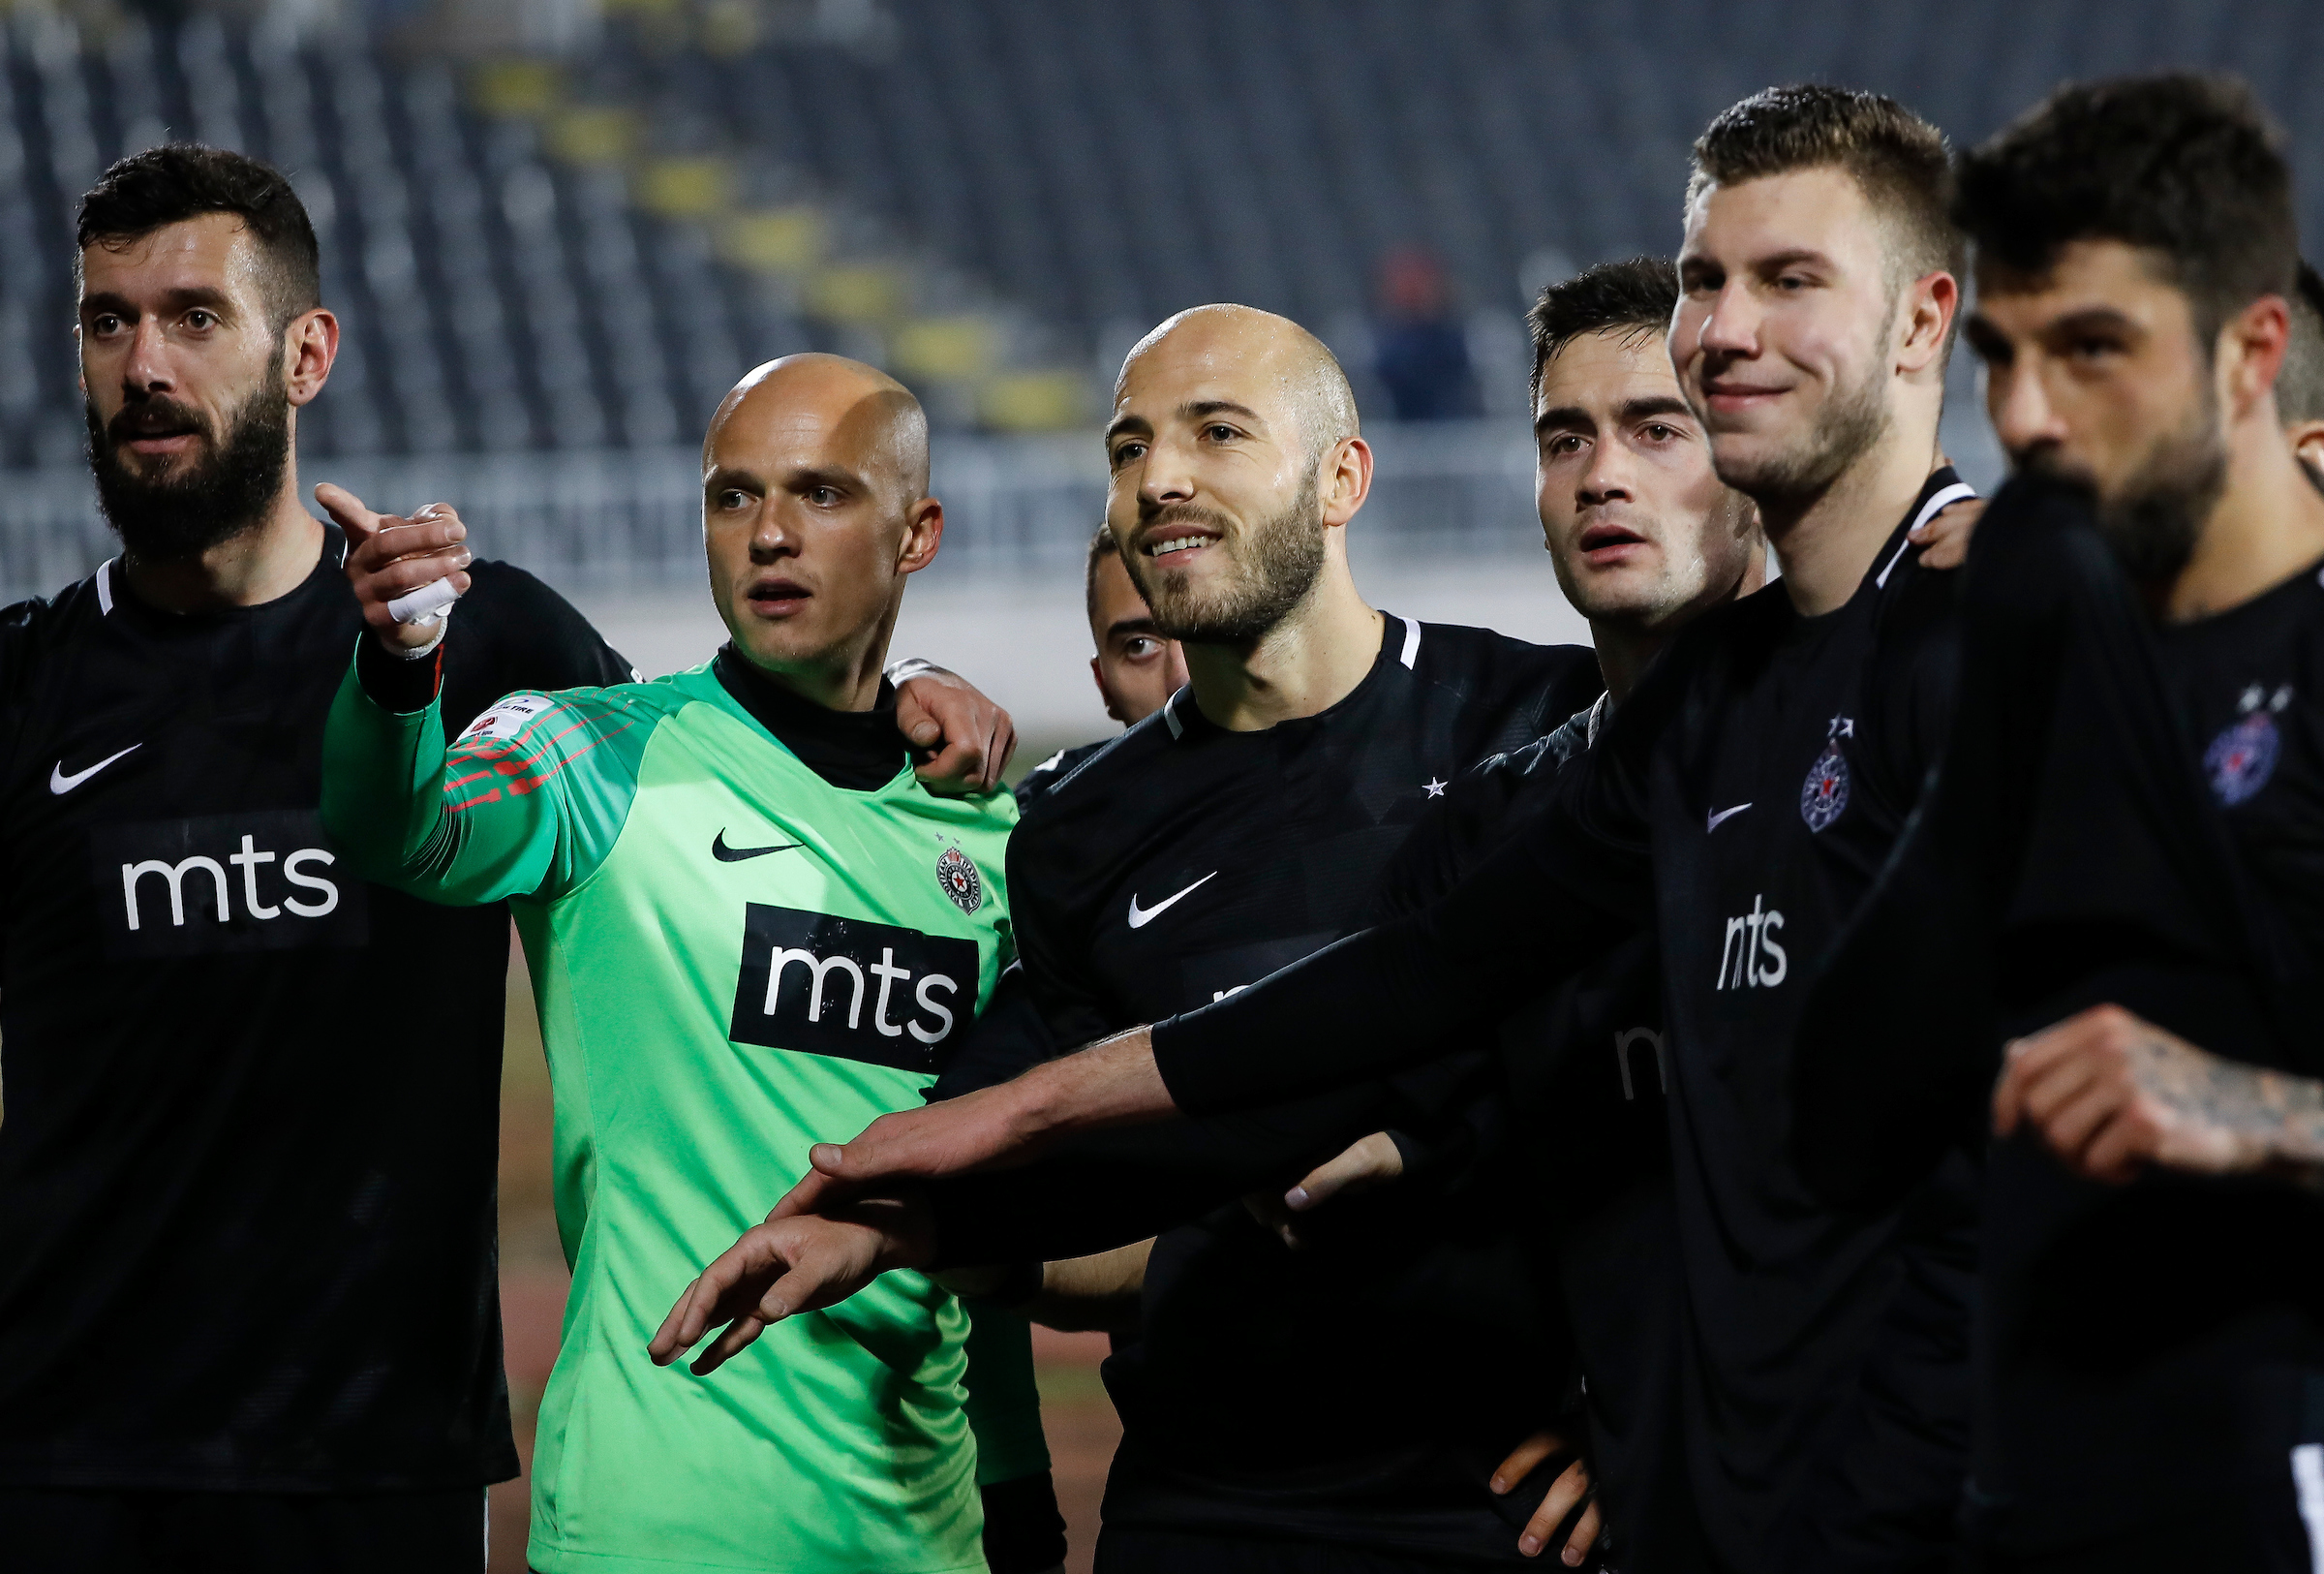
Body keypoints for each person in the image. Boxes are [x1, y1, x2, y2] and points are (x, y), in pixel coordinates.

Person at [671, 84, 1986, 1574]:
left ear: (1921, 320)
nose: (1727, 328)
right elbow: (1379, 1004)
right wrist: (942, 1176)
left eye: (1788, 279)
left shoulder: (1989, 634)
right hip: (1483, 1505)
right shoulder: (1641, 746)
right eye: (1706, 282)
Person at [0, 142, 1022, 1574]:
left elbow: (723, 730)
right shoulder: (25, 685)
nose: (144, 364)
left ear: (306, 354)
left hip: (383, 1455)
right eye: (108, 321)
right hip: (62, 1451)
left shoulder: (495, 640)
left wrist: (901, 683)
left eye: (194, 316)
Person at [318, 353, 1055, 1574]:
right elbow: (407, 831)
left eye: (822, 493)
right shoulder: (589, 752)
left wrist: (1017, 1497)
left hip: (923, 1538)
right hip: (651, 1526)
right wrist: (400, 670)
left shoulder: (988, 831)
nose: (769, 533)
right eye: (733, 495)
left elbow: (985, 1214)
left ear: (917, 533)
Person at [1791, 73, 2324, 1572]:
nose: (2025, 417)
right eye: (2002, 356)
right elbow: (1841, 1132)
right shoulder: (2039, 638)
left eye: (2093, 349)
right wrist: (2011, 708)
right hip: (2045, 1502)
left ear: (2249, 352)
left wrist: (2262, 1116)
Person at [1016, 524, 1188, 808]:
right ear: (1103, 684)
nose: (1182, 678)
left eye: (1209, 633)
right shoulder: (1055, 809)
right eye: (1140, 645)